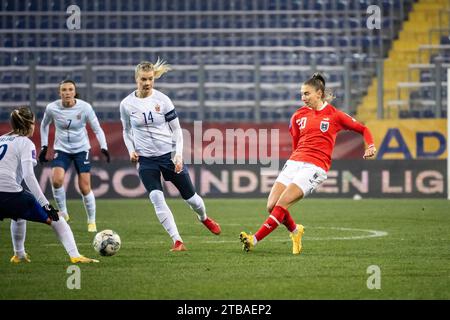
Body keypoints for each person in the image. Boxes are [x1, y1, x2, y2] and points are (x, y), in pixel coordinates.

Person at [239, 73, 377, 254]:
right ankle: (296, 231)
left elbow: (363, 129)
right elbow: (296, 142)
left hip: (315, 167)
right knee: (271, 205)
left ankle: (253, 240)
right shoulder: (298, 116)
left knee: (282, 204)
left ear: (319, 93)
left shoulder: (335, 115)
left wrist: (371, 146)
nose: (303, 98)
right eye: (301, 94)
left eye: (306, 94)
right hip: (295, 162)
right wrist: (295, 160)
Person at [120, 59, 221, 252]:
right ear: (136, 79)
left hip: (168, 156)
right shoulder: (126, 104)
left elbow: (177, 130)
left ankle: (204, 218)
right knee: (157, 198)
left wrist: (178, 155)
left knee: (192, 200)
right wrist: (130, 150)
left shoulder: (163, 100)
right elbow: (126, 131)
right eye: (143, 79)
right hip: (146, 160)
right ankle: (177, 241)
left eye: (150, 79)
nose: (147, 83)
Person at [0, 106, 98, 263]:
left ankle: (19, 255)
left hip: (6, 196)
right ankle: (76, 256)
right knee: (57, 218)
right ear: (29, 124)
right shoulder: (25, 143)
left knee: (18, 214)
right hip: (10, 194)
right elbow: (28, 176)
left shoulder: (1, 139)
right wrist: (46, 205)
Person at [39, 79, 110, 232]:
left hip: (81, 149)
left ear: (74, 92)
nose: (67, 93)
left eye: (70, 89)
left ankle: (91, 221)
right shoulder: (52, 108)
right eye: (64, 90)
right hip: (62, 149)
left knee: (84, 187)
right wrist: (44, 146)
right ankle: (64, 213)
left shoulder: (85, 108)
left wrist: (104, 146)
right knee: (56, 180)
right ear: (59, 93)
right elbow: (44, 125)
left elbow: (97, 128)